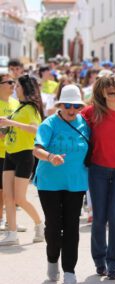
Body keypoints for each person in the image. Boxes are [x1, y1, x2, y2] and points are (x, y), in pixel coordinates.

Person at [81, 75, 115, 280]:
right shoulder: (91, 112)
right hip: (98, 170)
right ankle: (99, 261)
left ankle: (114, 264)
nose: (112, 89)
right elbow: (70, 124)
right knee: (99, 218)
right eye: (108, 87)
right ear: (101, 91)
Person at [33, 85, 88, 284]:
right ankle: (52, 260)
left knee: (72, 226)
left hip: (76, 182)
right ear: (60, 104)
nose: (71, 110)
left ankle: (69, 271)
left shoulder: (85, 124)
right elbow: (36, 149)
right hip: (49, 182)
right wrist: (50, 156)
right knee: (54, 226)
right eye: (67, 105)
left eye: (76, 106)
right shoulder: (49, 124)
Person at [0, 75, 45, 246]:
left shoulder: (31, 109)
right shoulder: (19, 107)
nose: (15, 88)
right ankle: (12, 233)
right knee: (7, 196)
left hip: (24, 155)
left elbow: (35, 130)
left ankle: (39, 224)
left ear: (25, 88)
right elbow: (14, 129)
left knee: (19, 198)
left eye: (17, 85)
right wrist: (5, 127)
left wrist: (11, 122)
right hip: (10, 153)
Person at [0, 73, 19, 231]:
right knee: (1, 190)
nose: (13, 84)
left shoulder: (15, 102)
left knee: (11, 190)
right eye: (9, 82)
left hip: (12, 151)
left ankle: (10, 222)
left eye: (14, 82)